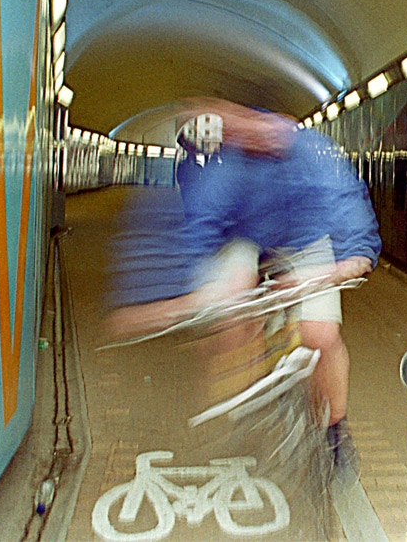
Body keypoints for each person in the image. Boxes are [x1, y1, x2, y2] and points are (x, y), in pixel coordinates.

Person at [108, 101, 380, 482]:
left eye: (263, 131)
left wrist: (353, 257)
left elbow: (344, 203)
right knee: (228, 308)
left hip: (307, 240)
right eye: (240, 134)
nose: (257, 138)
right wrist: (193, 293)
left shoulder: (313, 154)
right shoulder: (228, 164)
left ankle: (336, 429)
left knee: (322, 333)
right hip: (248, 238)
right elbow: (203, 224)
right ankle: (247, 380)